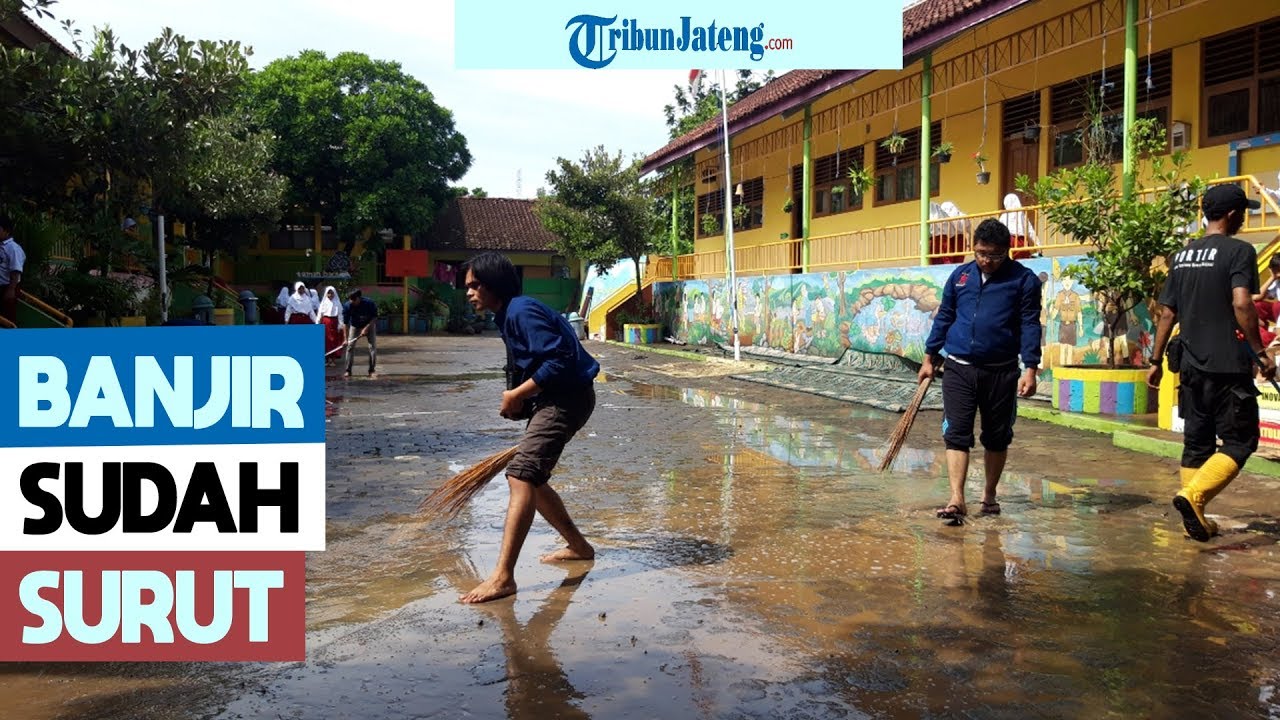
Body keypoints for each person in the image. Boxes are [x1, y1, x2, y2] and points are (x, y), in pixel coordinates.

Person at [458, 251, 599, 604]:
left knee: (520, 474)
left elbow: (561, 358)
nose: (469, 292)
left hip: (567, 399)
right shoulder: (509, 315)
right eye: (468, 287)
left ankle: (503, 577)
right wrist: (521, 401)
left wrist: (517, 394)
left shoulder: (520, 311)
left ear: (494, 285)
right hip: (556, 399)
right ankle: (579, 546)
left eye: (475, 285)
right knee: (531, 477)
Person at [1147, 184, 1276, 542]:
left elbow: (1167, 313)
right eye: (1243, 213)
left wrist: (1155, 360)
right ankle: (1194, 497)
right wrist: (1261, 353)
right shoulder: (1239, 251)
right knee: (1242, 440)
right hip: (1228, 365)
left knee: (1197, 442)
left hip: (1189, 364)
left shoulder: (1184, 255)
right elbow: (1241, 303)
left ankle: (1197, 519)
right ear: (1233, 215)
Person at [919, 218, 1043, 521]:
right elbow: (945, 315)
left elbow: (1029, 324)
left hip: (1001, 372)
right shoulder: (960, 276)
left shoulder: (1023, 280)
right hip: (959, 369)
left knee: (996, 437)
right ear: (973, 249)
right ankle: (956, 499)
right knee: (956, 434)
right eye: (981, 253)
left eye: (994, 255)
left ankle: (988, 496)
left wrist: (1030, 369)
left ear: (1007, 251)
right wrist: (929, 356)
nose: (986, 260)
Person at [342, 289, 378, 378]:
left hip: (369, 324)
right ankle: (348, 370)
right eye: (350, 299)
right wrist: (345, 339)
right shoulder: (347, 306)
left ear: (359, 298)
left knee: (372, 347)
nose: (352, 301)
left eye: (354, 299)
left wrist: (366, 328)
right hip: (355, 325)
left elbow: (374, 318)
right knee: (350, 347)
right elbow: (345, 324)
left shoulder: (369, 303)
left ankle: (371, 370)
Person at [0, 215, 27, 326]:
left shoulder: (13, 248)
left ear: (6, 231)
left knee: (8, 318)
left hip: (8, 287)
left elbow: (15, 271)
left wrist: (11, 289)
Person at [997, 193, 1040, 260]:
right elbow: (1030, 231)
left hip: (1008, 241)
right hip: (1021, 242)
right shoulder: (1021, 214)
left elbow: (998, 231)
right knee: (1022, 260)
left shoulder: (1004, 216)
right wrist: (1038, 244)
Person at [1251, 249, 1280, 345]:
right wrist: (1272, 278)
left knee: (1277, 305)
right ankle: (1267, 336)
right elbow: (1256, 297)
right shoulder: (1277, 281)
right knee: (1257, 305)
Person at [317, 285, 345, 361]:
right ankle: (327, 359)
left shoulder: (337, 303)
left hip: (334, 322)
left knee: (333, 340)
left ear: (334, 294)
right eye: (328, 293)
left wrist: (340, 324)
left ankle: (333, 359)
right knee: (326, 340)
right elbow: (320, 313)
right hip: (325, 322)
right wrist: (317, 322)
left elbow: (340, 314)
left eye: (332, 293)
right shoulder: (323, 302)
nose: (330, 295)